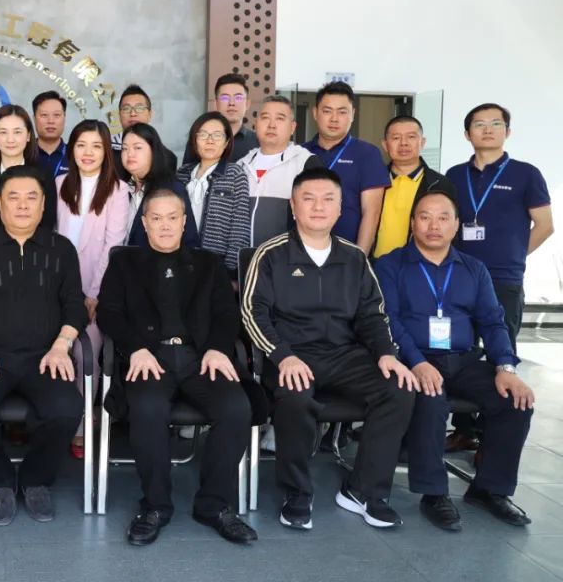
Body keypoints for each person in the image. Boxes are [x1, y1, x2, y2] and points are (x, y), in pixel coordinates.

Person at [241, 167, 417, 531]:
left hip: (344, 355)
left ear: (340, 209)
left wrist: (386, 353)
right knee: (295, 396)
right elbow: (252, 311)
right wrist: (283, 356)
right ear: (293, 207)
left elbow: (373, 314)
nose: (318, 207)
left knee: (398, 388)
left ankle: (363, 491)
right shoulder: (271, 254)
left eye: (328, 200)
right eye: (308, 199)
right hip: (290, 355)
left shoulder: (354, 257)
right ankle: (296, 492)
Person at [98, 187, 256, 545]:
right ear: (144, 223)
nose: (165, 225)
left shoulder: (208, 264)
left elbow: (226, 314)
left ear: (185, 222)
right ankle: (155, 506)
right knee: (148, 408)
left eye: (172, 218)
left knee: (236, 408)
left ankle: (214, 505)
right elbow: (109, 312)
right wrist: (136, 349)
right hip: (149, 359)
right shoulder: (124, 263)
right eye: (156, 218)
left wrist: (217, 349)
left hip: (200, 358)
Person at [375, 190, 535, 531]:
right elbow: (388, 321)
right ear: (412, 223)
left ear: (456, 225)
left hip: (463, 360)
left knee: (514, 401)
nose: (434, 225)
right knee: (431, 399)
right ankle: (434, 493)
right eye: (425, 217)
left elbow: (493, 321)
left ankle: (489, 489)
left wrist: (505, 367)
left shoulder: (473, 269)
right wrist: (416, 361)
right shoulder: (390, 265)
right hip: (412, 359)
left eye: (443, 218)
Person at [0, 166, 87, 525]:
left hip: (45, 356)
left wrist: (61, 346)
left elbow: (75, 305)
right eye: (14, 197)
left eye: (31, 198)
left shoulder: (61, 249)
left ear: (43, 205)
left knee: (66, 408)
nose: (22, 205)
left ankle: (35, 480)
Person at [444, 103, 553, 354]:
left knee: (502, 350)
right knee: (460, 349)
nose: (488, 130)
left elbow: (545, 225)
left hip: (504, 279)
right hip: (460, 275)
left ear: (508, 131)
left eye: (496, 124)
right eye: (479, 124)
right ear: (467, 134)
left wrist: (515, 255)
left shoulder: (526, 173)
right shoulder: (455, 174)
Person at [55, 120, 129, 456]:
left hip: (94, 288)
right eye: (81, 145)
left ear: (106, 152)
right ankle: (54, 422)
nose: (88, 152)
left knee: (86, 355)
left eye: (96, 146)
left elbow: (114, 245)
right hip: (56, 285)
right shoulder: (59, 184)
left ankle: (81, 426)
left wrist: (94, 293)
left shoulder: (117, 190)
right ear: (72, 148)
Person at [303, 81, 390, 253]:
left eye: (342, 112)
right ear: (315, 113)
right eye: (327, 111)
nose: (334, 119)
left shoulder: (367, 154)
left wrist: (359, 258)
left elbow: (371, 213)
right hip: (303, 250)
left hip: (347, 253)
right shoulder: (300, 153)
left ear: (352, 114)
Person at [237, 94, 323, 246]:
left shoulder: (306, 163)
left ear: (292, 127)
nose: (271, 125)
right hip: (242, 257)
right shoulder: (241, 165)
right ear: (255, 125)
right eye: (265, 118)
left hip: (286, 257)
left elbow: (317, 217)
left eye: (280, 118)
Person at [175, 112, 252, 277]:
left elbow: (240, 227)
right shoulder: (181, 174)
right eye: (203, 134)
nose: (209, 140)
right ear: (195, 140)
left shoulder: (235, 174)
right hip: (179, 261)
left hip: (216, 266)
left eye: (217, 135)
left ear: (226, 142)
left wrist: (230, 271)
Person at [373, 115, 457, 259]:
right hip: (374, 264)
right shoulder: (373, 181)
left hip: (419, 265)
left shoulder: (440, 184)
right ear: (385, 144)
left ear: (422, 142)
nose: (404, 143)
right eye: (396, 138)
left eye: (411, 137)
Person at [0, 104, 57, 234]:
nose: (10, 139)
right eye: (3, 132)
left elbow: (47, 224)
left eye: (17, 132)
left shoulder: (44, 175)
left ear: (28, 135)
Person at [121, 123, 199, 248]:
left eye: (138, 148)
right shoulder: (122, 188)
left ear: (153, 151)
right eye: (124, 148)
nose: (130, 153)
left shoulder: (171, 188)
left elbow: (189, 239)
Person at [110, 84, 177, 177]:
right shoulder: (106, 149)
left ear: (150, 114)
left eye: (139, 108)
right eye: (126, 108)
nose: (133, 113)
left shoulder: (167, 157)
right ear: (119, 115)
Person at [202, 73, 258, 163]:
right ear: (215, 104)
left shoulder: (259, 143)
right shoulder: (201, 140)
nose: (231, 103)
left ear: (247, 104)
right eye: (225, 98)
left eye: (238, 98)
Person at [33, 91, 70, 177]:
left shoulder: (75, 155)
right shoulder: (23, 153)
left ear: (64, 118)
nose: (50, 121)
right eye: (44, 115)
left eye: (56, 115)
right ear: (34, 118)